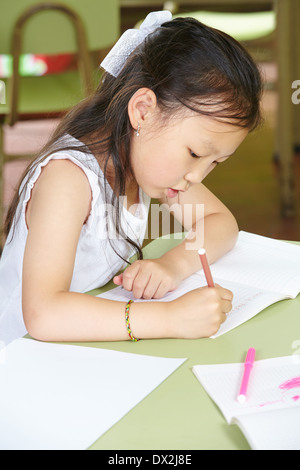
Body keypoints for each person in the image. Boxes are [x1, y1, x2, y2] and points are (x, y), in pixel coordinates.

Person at [0, 11, 262, 347]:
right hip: (17, 355)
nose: (196, 175)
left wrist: (171, 266)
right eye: (195, 154)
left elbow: (220, 223)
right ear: (143, 111)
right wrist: (170, 318)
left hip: (77, 347)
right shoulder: (68, 179)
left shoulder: (148, 163)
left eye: (216, 163)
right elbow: (43, 314)